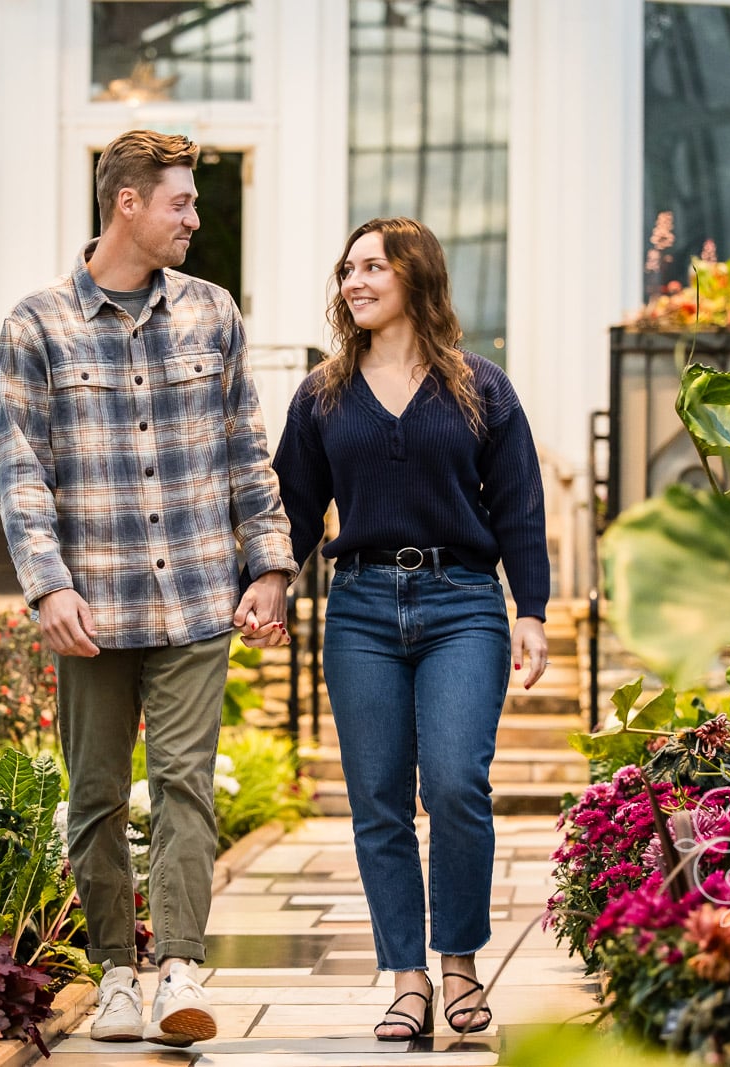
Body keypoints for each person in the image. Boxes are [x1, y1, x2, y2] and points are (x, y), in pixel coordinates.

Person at [0, 129, 297, 1047]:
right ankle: (116, 975)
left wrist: (272, 563)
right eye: (182, 202)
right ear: (128, 202)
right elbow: (22, 472)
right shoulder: (35, 324)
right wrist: (47, 587)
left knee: (183, 786)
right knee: (92, 794)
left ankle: (179, 973)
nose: (195, 218)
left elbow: (248, 448)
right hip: (93, 604)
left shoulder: (214, 313)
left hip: (198, 595)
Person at [272, 216, 551, 1041]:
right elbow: (292, 508)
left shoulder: (480, 387)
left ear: (414, 276)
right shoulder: (322, 393)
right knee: (379, 801)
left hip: (463, 601)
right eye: (347, 269)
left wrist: (529, 610)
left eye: (371, 267)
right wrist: (272, 582)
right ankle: (406, 977)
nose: (353, 282)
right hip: (357, 606)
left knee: (458, 783)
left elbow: (520, 507)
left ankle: (458, 958)